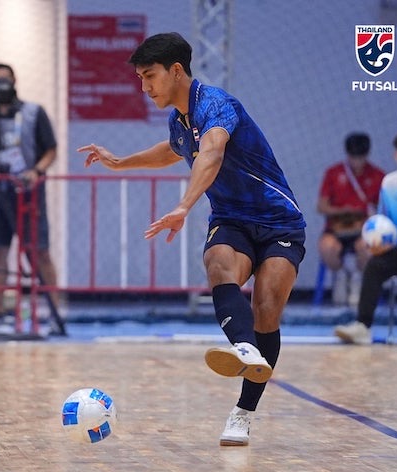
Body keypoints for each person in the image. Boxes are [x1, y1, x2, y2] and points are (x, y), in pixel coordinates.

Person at [77, 33, 306, 447]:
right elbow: (173, 150)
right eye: (140, 79)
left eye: (150, 76)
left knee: (266, 310)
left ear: (176, 71)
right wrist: (120, 162)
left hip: (279, 221)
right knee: (218, 263)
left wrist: (184, 206)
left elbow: (212, 153)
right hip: (232, 220)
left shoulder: (216, 104)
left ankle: (243, 412)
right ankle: (245, 348)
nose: (145, 87)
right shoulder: (179, 121)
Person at [0, 63, 61, 333]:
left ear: (14, 81)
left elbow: (51, 149)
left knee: (38, 251)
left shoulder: (33, 112)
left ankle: (54, 311)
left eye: (3, 81)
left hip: (27, 192)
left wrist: (36, 171)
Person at [335, 129, 397, 344]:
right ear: (396, 155)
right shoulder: (390, 183)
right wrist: (378, 243)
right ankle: (363, 326)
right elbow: (383, 221)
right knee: (374, 266)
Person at [317, 132, 385, 306]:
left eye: (360, 157)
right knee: (327, 247)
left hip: (363, 229)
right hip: (336, 228)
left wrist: (369, 215)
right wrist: (342, 211)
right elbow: (321, 207)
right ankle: (341, 275)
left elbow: (384, 209)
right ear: (348, 154)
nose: (357, 162)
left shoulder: (378, 175)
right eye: (353, 157)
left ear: (367, 154)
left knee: (368, 247)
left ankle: (357, 277)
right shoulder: (333, 173)